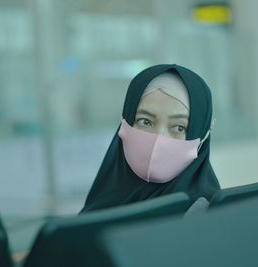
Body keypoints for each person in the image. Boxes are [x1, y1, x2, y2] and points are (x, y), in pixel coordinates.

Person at [80, 64, 220, 212]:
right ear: (125, 120)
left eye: (179, 127)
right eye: (145, 121)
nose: (158, 139)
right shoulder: (101, 202)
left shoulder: (204, 214)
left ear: (202, 136)